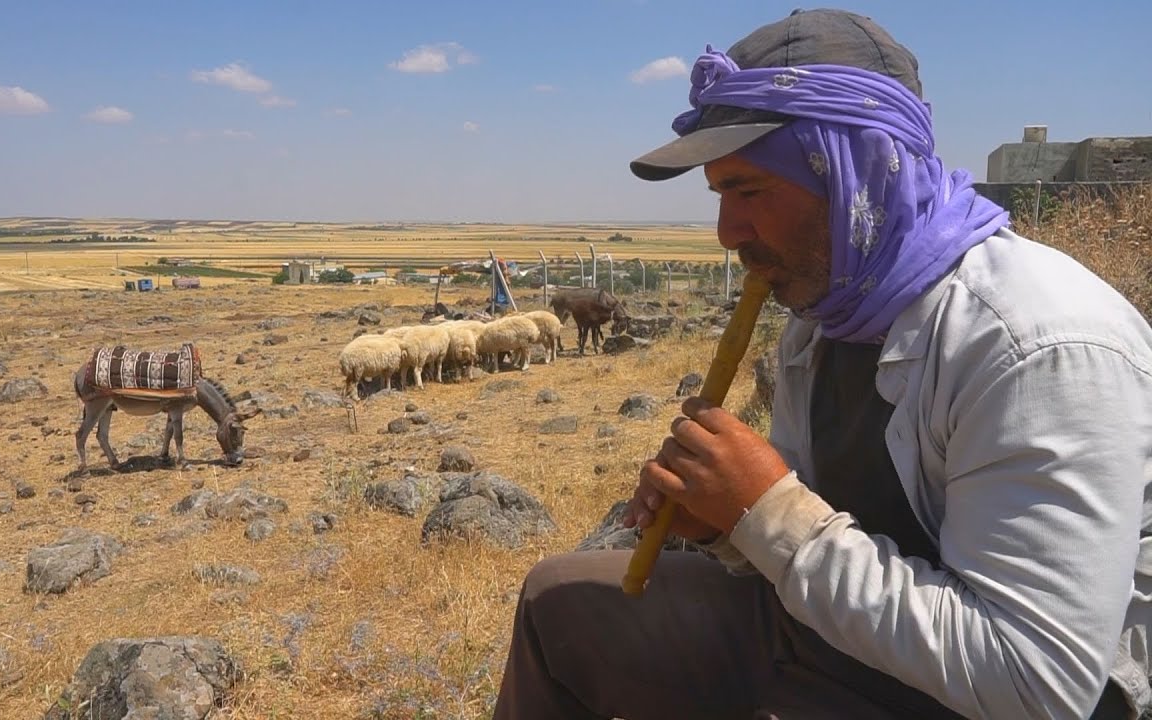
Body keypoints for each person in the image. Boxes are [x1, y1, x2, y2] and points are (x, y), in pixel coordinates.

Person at [491, 8, 1152, 720]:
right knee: (556, 603)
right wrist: (726, 523)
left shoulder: (1038, 346)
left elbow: (1036, 685)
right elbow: (819, 547)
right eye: (720, 195)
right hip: (852, 646)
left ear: (856, 172)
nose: (727, 233)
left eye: (749, 191)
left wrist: (768, 509)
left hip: (991, 698)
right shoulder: (824, 322)